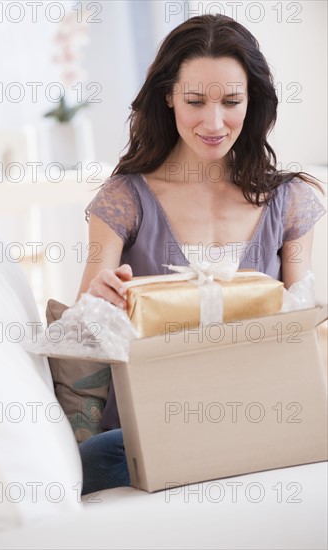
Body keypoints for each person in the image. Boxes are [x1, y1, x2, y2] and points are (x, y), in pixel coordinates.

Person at [76, 14, 325, 495]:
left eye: (231, 101)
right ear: (168, 95)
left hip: (258, 414)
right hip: (146, 424)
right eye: (195, 101)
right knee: (92, 460)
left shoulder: (290, 200)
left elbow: (304, 333)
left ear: (252, 102)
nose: (214, 123)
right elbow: (83, 335)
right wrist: (99, 301)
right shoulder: (123, 198)